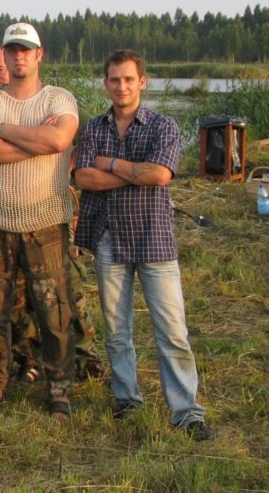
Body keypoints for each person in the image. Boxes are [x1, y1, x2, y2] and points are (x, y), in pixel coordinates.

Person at [73, 49, 213, 439]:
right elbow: (83, 178)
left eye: (129, 79)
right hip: (107, 237)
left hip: (154, 238)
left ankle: (186, 412)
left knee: (172, 331)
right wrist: (135, 172)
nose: (121, 86)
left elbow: (161, 176)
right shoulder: (94, 128)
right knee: (117, 330)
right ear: (106, 83)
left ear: (142, 82)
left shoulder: (163, 126)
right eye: (114, 79)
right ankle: (126, 399)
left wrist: (112, 165)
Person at [0, 22, 79, 417]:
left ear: (39, 54)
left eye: (25, 50)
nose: (18, 57)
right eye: (12, 50)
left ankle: (59, 388)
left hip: (44, 223)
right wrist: (34, 140)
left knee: (53, 308)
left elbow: (59, 141)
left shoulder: (58, 99)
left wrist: (7, 131)